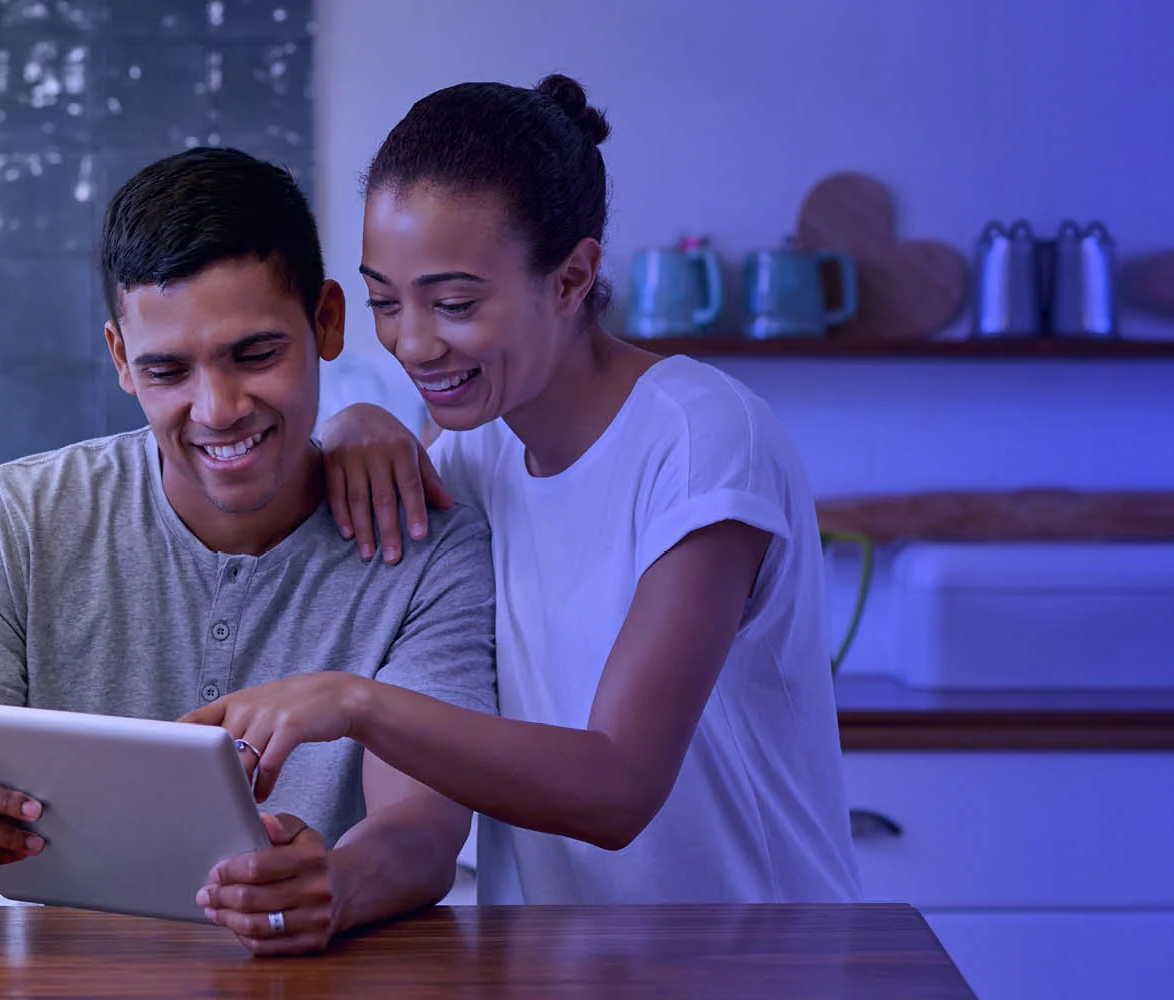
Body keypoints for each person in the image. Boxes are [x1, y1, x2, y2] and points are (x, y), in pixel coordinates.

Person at [182, 76, 861, 905]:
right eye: (384, 302)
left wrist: (355, 702)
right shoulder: (473, 448)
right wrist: (359, 419)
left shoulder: (700, 439)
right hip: (555, 965)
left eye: (455, 303)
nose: (414, 343)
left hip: (753, 960)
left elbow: (617, 787)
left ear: (572, 278)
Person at [0, 147, 499, 955]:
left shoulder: (428, 543)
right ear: (122, 359)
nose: (218, 409)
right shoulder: (13, 519)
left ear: (327, 321)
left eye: (255, 355)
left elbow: (422, 827)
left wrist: (335, 884)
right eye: (167, 369)